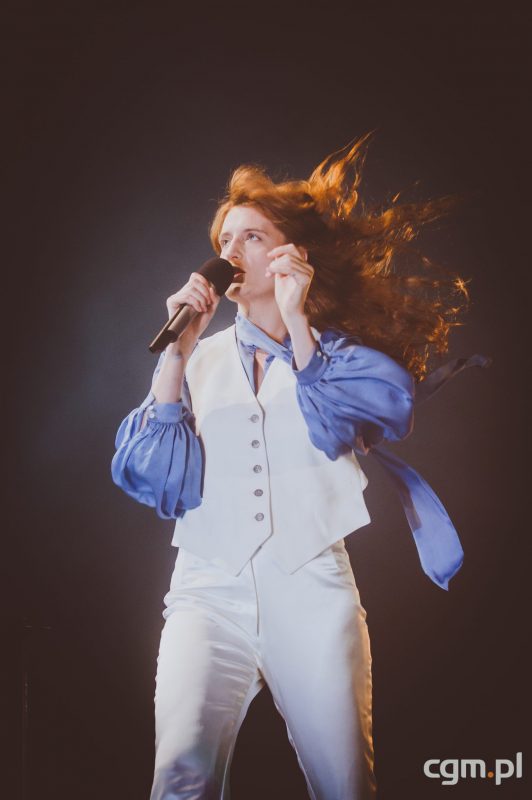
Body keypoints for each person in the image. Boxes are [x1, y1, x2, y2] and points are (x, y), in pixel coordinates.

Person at [111, 133, 489, 800]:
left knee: (346, 784)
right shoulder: (197, 359)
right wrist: (175, 353)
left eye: (252, 236)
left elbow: (356, 418)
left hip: (312, 585)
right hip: (208, 589)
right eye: (225, 239)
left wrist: (297, 320)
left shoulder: (335, 358)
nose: (231, 252)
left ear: (292, 255)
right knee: (181, 776)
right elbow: (157, 480)